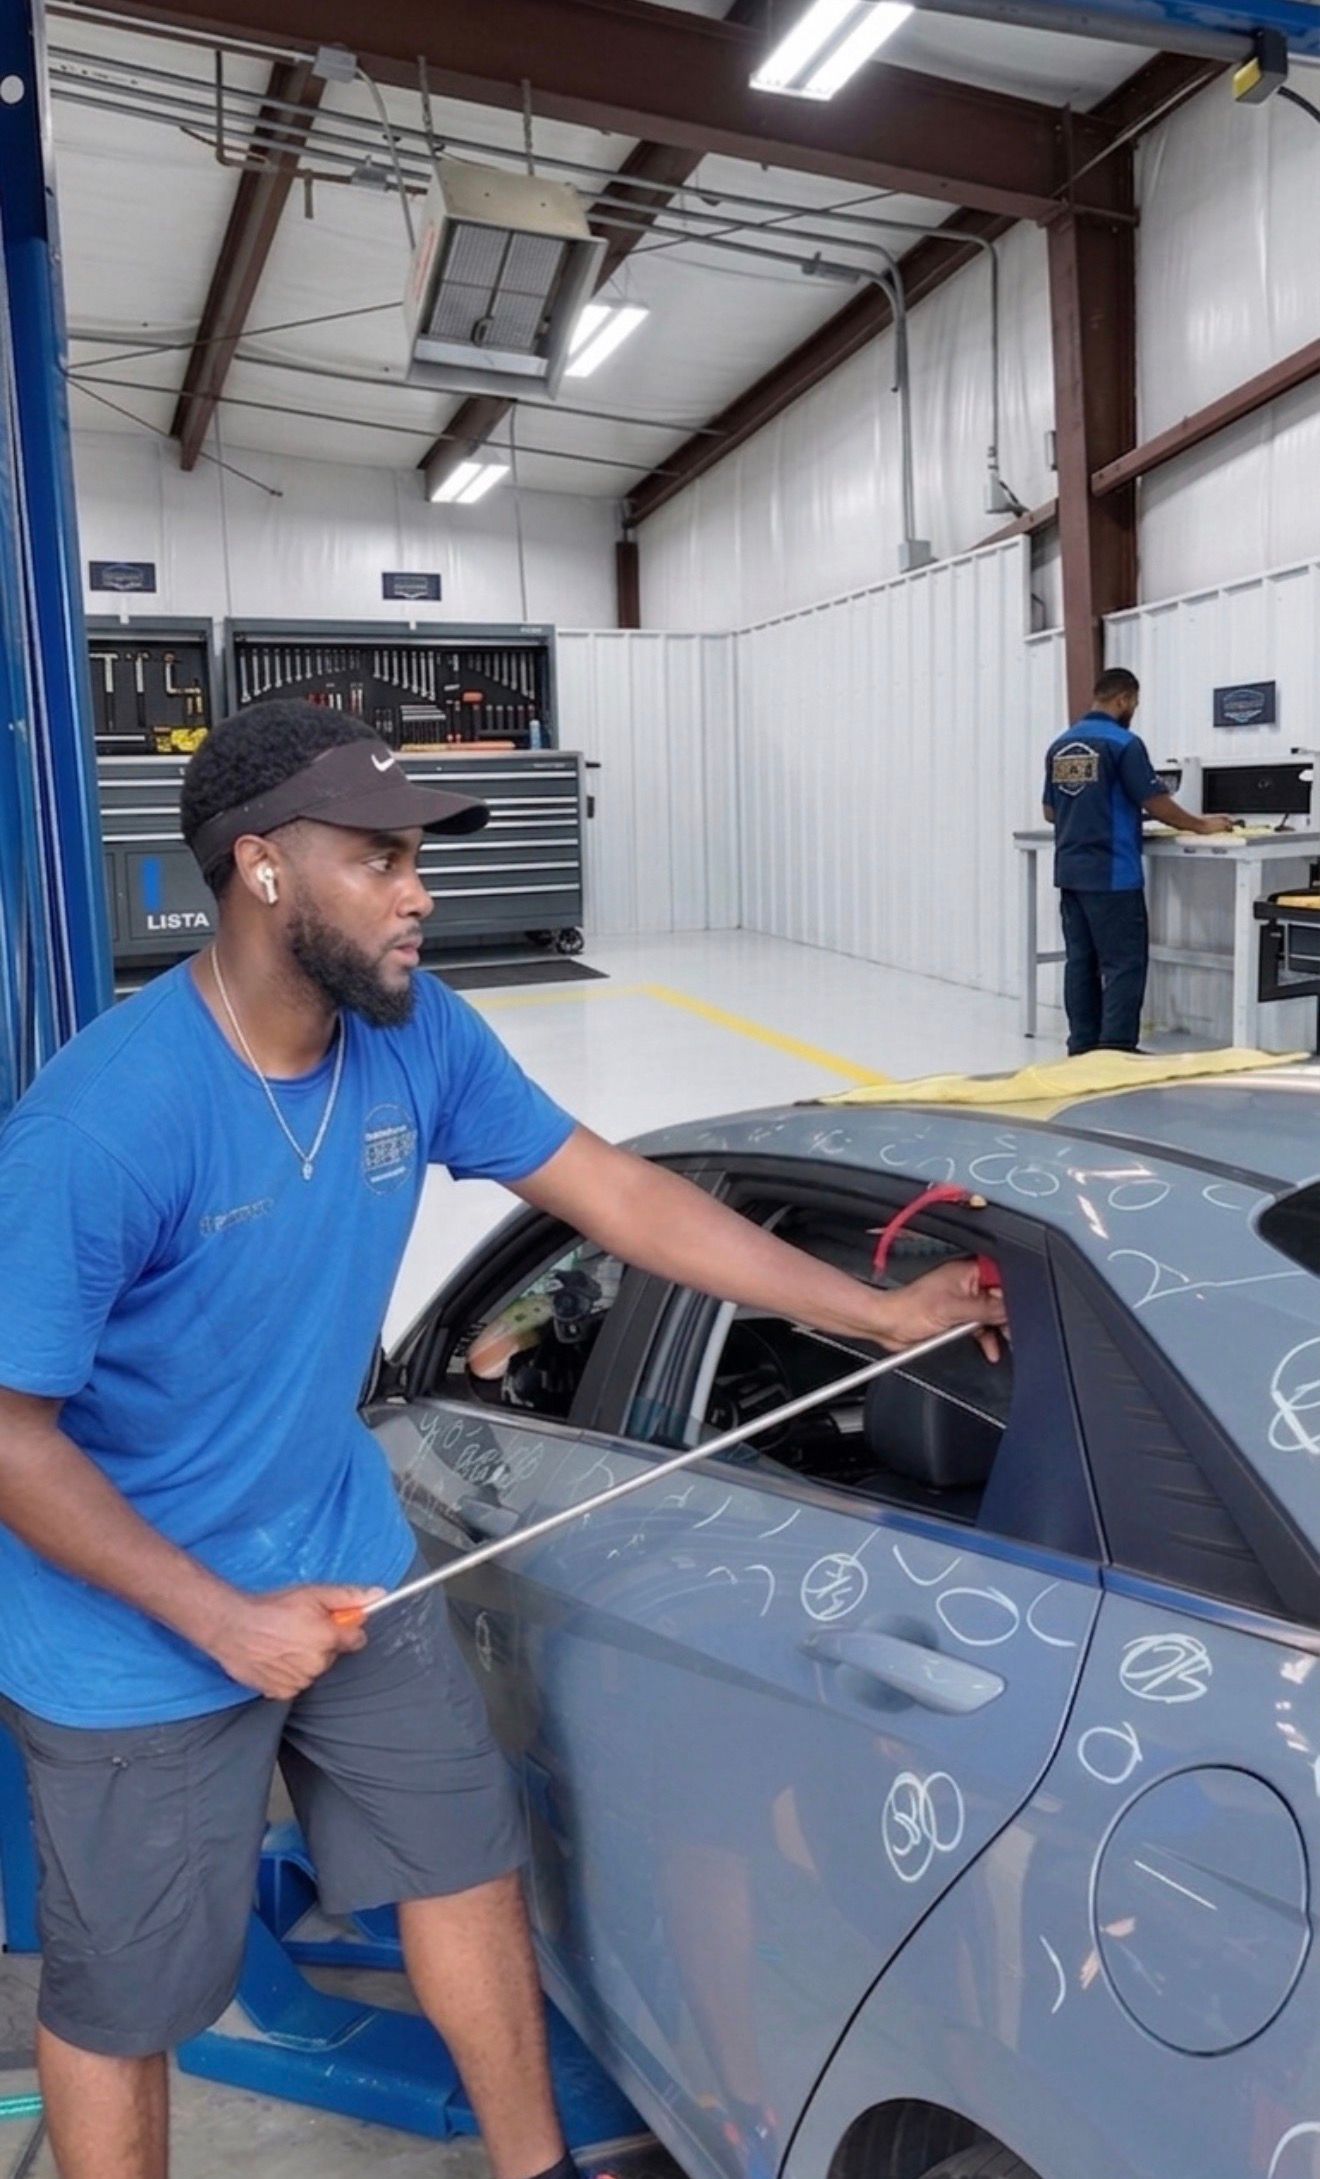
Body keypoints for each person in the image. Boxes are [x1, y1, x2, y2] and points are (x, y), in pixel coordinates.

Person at [0, 701, 1006, 2179]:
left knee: (460, 1859)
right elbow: (10, 1435)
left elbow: (623, 1196)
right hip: (135, 1628)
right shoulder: (106, 1121)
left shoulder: (419, 1038)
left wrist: (871, 1311)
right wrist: (219, 1617)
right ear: (264, 868)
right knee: (131, 1993)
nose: (422, 892)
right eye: (382, 857)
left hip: (341, 1544)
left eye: (421, 856)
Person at [1041, 667, 1232, 1056]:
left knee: (1081, 961)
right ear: (1124, 699)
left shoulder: (1060, 746)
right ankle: (1117, 1050)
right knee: (1124, 963)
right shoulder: (1123, 743)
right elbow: (1156, 803)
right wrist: (1202, 825)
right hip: (1112, 875)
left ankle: (1082, 1046)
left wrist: (1096, 813)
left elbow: (1050, 811)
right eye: (1134, 704)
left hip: (1071, 873)